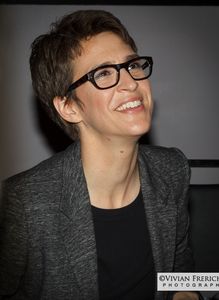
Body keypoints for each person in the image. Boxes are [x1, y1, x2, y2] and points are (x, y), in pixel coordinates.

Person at [0, 9, 200, 300]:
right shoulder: (24, 202)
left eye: (133, 65)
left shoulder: (172, 169)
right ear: (69, 107)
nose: (131, 82)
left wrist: (192, 291)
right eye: (103, 73)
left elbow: (181, 269)